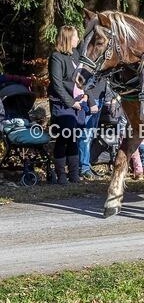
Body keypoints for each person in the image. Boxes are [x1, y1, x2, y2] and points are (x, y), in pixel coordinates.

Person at [48, 25, 87, 184]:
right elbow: (57, 84)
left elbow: (83, 77)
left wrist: (86, 97)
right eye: (75, 37)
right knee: (63, 138)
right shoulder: (56, 57)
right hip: (62, 105)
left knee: (74, 138)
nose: (78, 39)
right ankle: (61, 175)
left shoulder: (76, 55)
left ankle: (74, 174)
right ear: (67, 38)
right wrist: (72, 103)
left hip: (78, 103)